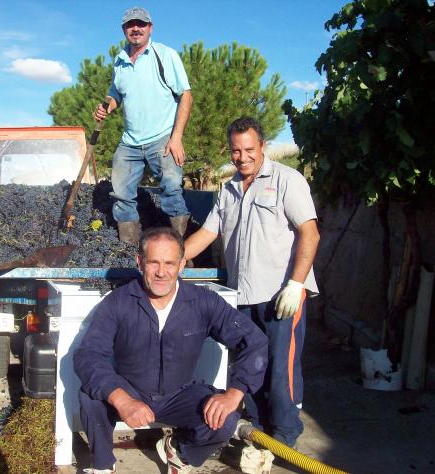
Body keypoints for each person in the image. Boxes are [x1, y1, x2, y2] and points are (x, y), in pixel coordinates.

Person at [74, 227, 268, 473]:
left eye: (169, 263)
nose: (161, 272)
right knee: (91, 394)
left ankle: (179, 450)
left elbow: (254, 341)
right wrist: (122, 399)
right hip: (130, 389)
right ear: (140, 262)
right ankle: (103, 465)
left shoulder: (203, 302)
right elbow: (88, 355)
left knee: (226, 417)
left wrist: (234, 393)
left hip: (178, 396)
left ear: (182, 265)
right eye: (153, 262)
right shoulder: (118, 302)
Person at [184, 116, 320, 448]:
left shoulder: (287, 180)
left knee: (280, 370)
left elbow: (310, 233)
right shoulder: (228, 189)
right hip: (242, 295)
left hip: (280, 295)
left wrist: (296, 284)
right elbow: (208, 232)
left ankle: (285, 435)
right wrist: (172, 260)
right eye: (235, 150)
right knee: (249, 366)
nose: (242, 157)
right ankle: (258, 431)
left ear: (262, 146)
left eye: (249, 149)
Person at [94, 6, 193, 243]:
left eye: (141, 24)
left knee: (172, 191)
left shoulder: (165, 55)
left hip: (162, 138)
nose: (136, 28)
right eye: (131, 25)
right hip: (130, 142)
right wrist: (107, 106)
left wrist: (176, 138)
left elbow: (186, 96)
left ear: (150, 28)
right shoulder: (120, 61)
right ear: (124, 29)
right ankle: (127, 249)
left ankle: (182, 249)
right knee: (121, 195)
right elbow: (116, 94)